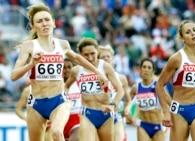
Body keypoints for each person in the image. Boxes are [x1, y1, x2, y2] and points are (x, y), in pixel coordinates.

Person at [11, 3, 108, 141]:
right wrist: (32, 64)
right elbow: (14, 75)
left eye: (47, 20)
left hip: (59, 100)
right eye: (39, 21)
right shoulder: (29, 46)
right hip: (36, 103)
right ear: (33, 26)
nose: (44, 24)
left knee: (57, 132)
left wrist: (97, 72)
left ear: (54, 23)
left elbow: (77, 58)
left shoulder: (63, 44)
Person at [65, 38, 124, 141]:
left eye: (93, 53)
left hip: (106, 114)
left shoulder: (105, 67)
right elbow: (66, 86)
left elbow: (120, 90)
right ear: (80, 54)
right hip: (87, 113)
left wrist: (113, 104)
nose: (90, 58)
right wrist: (64, 101)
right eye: (86, 55)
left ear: (97, 51)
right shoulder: (76, 70)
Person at [98, 44, 131, 141]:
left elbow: (128, 101)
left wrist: (127, 109)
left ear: (113, 59)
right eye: (103, 57)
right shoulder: (93, 78)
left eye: (108, 56)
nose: (106, 59)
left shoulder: (121, 78)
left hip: (116, 116)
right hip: (99, 116)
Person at [129, 58, 166, 141]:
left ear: (153, 71)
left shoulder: (158, 86)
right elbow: (128, 102)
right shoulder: (136, 88)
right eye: (144, 67)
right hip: (143, 125)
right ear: (140, 69)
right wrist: (130, 114)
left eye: (149, 68)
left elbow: (169, 102)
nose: (146, 70)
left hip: (158, 125)